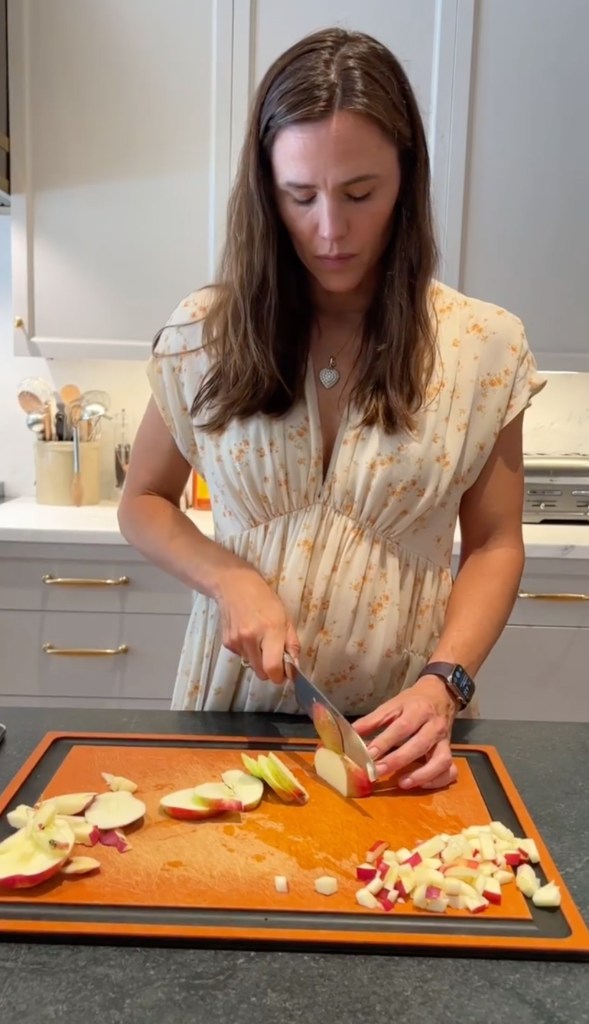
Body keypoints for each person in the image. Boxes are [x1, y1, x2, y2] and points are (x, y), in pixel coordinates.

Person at [118, 27, 545, 792]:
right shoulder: (206, 333)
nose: (328, 229)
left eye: (358, 193)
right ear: (265, 188)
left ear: (404, 181)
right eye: (298, 195)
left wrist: (444, 684)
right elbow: (143, 500)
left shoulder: (483, 345)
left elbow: (492, 545)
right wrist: (227, 578)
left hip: (403, 730)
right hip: (228, 716)